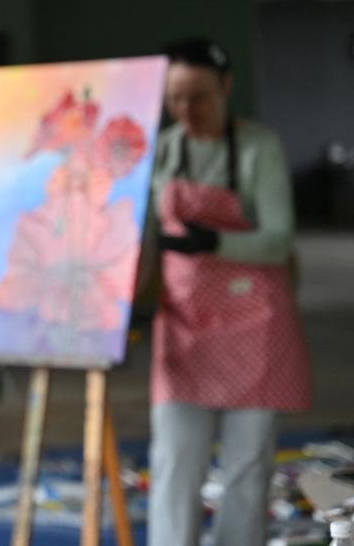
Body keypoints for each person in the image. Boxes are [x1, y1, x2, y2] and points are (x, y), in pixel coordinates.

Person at [141, 38, 312, 546]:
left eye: (200, 98)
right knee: (174, 463)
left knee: (248, 467)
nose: (187, 111)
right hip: (184, 327)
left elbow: (279, 240)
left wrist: (215, 240)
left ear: (226, 88)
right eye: (176, 99)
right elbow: (140, 238)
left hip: (254, 325)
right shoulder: (162, 151)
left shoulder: (260, 147)